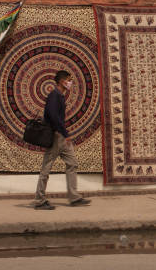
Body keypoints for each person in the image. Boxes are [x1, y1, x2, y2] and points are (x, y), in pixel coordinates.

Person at [34, 70, 91, 210]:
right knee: (46, 168)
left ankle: (74, 197)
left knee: (72, 163)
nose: (70, 82)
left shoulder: (60, 96)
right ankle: (39, 200)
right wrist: (65, 134)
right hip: (56, 136)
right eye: (68, 79)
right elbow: (53, 117)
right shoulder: (54, 95)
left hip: (61, 137)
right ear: (61, 81)